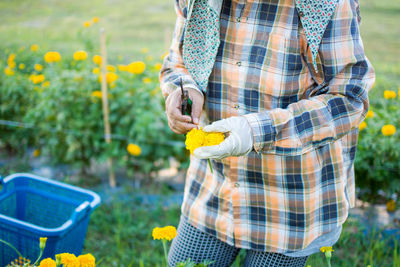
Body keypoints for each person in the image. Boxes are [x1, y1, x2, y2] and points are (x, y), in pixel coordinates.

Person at [159, 0, 375, 266]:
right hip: (213, 187)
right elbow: (178, 62)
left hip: (288, 201)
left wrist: (256, 131)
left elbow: (349, 98)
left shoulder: (327, 4)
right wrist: (183, 91)